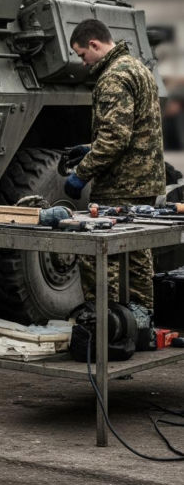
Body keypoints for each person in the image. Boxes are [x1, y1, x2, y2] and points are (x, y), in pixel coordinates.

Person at [64, 19, 165, 310]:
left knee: (99, 257)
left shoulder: (113, 77)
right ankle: (141, 322)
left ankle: (104, 326)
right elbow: (133, 129)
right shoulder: (137, 68)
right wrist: (87, 148)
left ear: (95, 44)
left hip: (121, 185)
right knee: (136, 257)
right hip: (144, 181)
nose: (83, 63)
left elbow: (114, 139)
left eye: (83, 55)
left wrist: (80, 175)